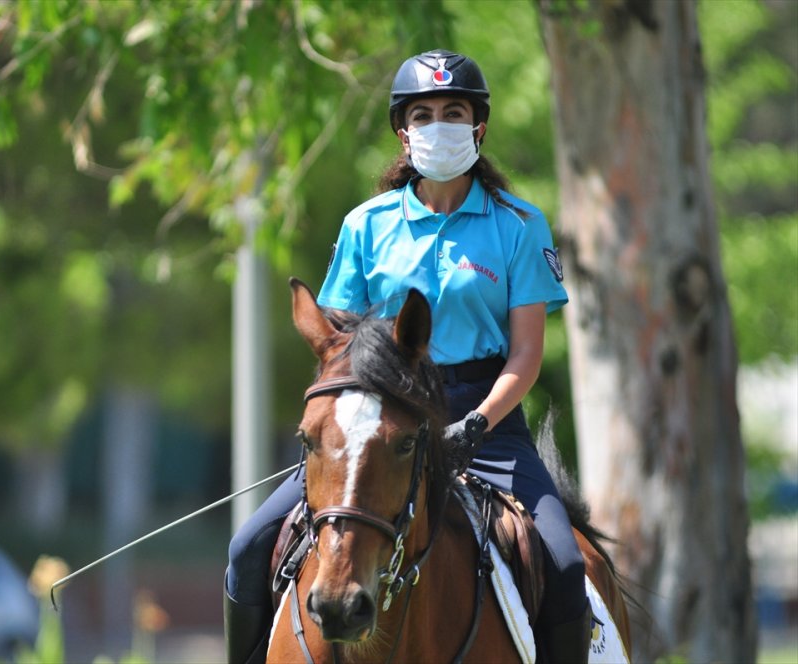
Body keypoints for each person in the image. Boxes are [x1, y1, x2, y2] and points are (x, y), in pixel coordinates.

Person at [224, 49, 590, 664]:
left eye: (454, 112)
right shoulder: (365, 225)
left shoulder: (520, 225)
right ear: (403, 132)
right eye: (423, 114)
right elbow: (337, 346)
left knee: (564, 562)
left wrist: (475, 425)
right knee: (246, 548)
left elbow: (527, 354)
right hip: (377, 424)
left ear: (478, 127)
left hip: (486, 421)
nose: (438, 125)